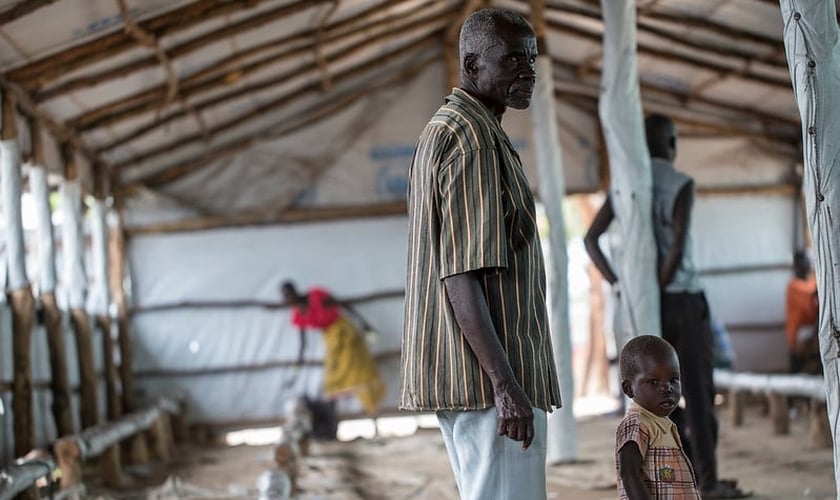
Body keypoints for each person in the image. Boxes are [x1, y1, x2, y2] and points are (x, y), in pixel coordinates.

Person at [400, 8, 561, 500]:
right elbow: (460, 275)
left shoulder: (448, 129)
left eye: (531, 59)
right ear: (472, 66)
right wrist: (507, 386)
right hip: (491, 385)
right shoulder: (475, 144)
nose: (528, 71)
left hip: (470, 379)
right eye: (512, 59)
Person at [584, 114, 750, 498]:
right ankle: (706, 481)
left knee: (655, 391)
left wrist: (622, 285)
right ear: (672, 145)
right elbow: (676, 248)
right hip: (682, 299)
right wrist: (659, 286)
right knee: (695, 390)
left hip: (646, 299)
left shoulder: (625, 186)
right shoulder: (680, 184)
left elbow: (591, 240)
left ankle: (674, 476)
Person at [281, 281, 384, 415]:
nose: (289, 299)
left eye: (289, 294)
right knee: (332, 377)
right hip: (330, 339)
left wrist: (366, 326)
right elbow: (302, 345)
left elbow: (343, 305)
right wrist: (296, 370)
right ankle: (333, 419)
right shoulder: (298, 315)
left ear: (295, 291)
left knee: (359, 372)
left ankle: (373, 412)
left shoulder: (315, 296)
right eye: (286, 297)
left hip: (345, 333)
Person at [616, 335, 700, 499]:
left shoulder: (665, 424)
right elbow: (629, 474)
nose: (667, 388)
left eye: (673, 380)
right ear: (629, 389)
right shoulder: (637, 423)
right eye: (654, 382)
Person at [785, 250, 821, 374]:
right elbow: (809, 294)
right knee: (798, 371)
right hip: (799, 333)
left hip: (813, 329)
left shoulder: (812, 282)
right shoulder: (793, 286)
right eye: (802, 264)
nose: (806, 266)